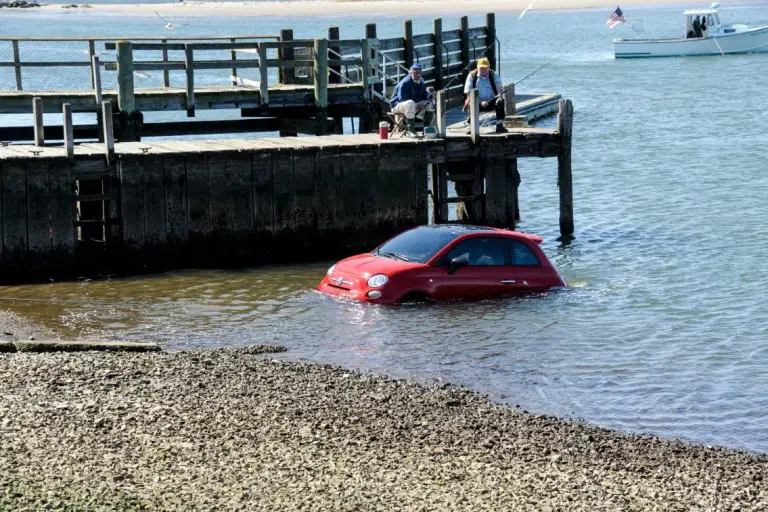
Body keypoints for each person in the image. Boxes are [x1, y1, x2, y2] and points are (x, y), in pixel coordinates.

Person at [463, 57, 508, 134]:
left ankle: (499, 125)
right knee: (471, 103)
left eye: (485, 68)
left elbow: (499, 89)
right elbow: (469, 94)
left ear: (489, 67)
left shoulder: (494, 75)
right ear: (477, 67)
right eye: (481, 68)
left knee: (500, 101)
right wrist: (480, 102)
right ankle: (470, 126)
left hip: (492, 102)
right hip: (477, 102)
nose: (483, 70)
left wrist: (499, 94)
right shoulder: (471, 76)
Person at [389, 64, 434, 136]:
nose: (418, 75)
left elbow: (424, 94)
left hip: (413, 104)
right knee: (410, 103)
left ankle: (426, 129)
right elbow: (402, 99)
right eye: (416, 73)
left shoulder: (421, 81)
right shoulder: (405, 83)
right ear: (410, 73)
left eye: (419, 73)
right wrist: (417, 106)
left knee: (430, 103)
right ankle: (410, 130)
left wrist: (429, 97)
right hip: (397, 105)